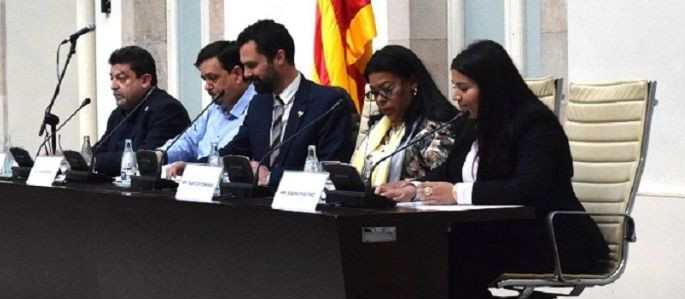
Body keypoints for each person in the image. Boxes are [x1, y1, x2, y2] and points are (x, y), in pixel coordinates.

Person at [376, 40, 610, 299]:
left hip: (550, 240)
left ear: (493, 86)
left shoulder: (535, 125)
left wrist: (456, 193)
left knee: (448, 265)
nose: (456, 96)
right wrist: (413, 188)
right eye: (455, 86)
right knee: (427, 258)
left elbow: (529, 189)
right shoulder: (474, 123)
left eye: (464, 88)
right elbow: (448, 173)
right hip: (499, 235)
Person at [220, 19, 355, 185]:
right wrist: (192, 166)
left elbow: (330, 169)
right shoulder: (259, 104)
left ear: (279, 58)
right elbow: (235, 151)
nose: (246, 74)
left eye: (252, 65)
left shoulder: (327, 103)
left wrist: (270, 177)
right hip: (258, 206)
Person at [351, 45, 460, 186]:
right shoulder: (379, 128)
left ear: (413, 82)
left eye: (387, 89)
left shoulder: (438, 130)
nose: (380, 99)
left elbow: (441, 182)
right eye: (374, 92)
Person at [159, 40, 256, 178]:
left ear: (237, 74)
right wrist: (162, 155)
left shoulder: (258, 107)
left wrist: (194, 169)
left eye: (213, 78)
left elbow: (235, 154)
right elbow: (188, 141)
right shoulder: (215, 108)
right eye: (205, 79)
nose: (207, 86)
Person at [93, 46, 191, 176]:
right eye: (112, 78)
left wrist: (93, 162)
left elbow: (145, 159)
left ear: (145, 80)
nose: (114, 85)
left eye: (121, 78)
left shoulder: (167, 109)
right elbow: (100, 149)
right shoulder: (118, 113)